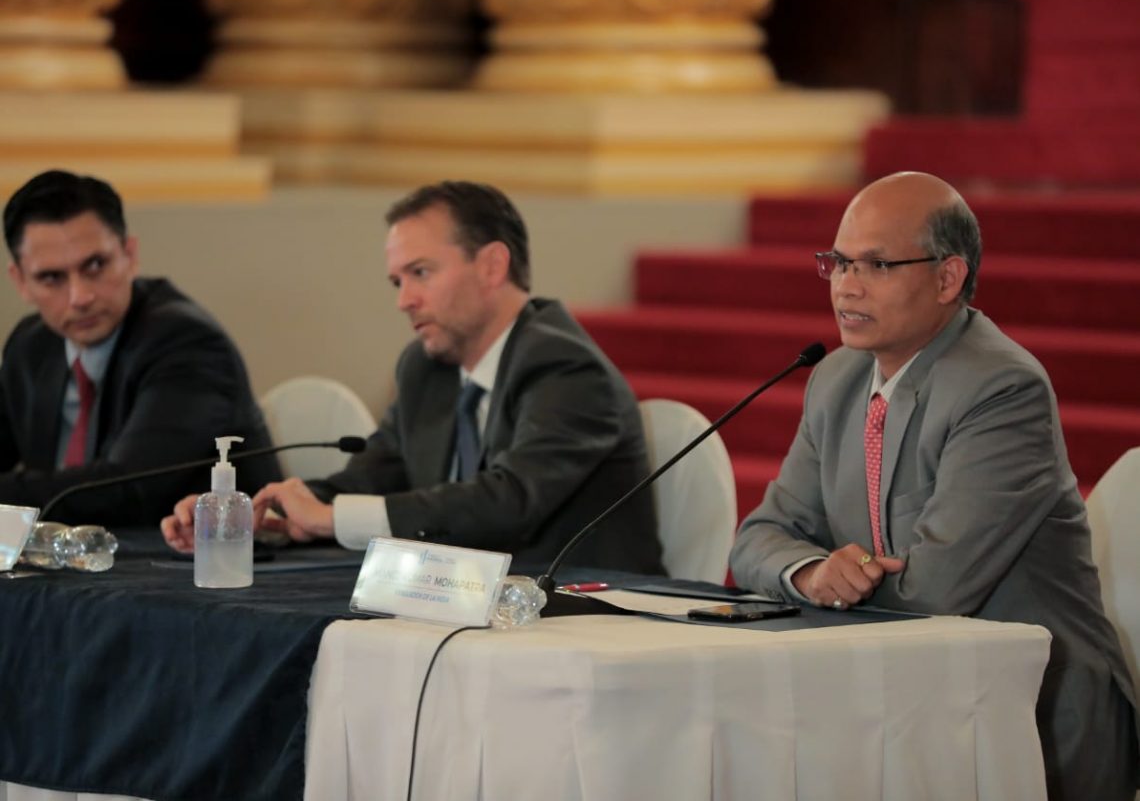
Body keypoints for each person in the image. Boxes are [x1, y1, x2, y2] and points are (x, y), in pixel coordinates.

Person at [729, 171, 1138, 800]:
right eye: (839, 262)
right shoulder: (837, 379)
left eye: (877, 265)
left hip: (1028, 721)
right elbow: (758, 538)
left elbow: (936, 592)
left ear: (948, 278)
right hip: (902, 702)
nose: (847, 286)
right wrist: (811, 573)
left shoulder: (1002, 389)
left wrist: (840, 585)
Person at [162, 180, 663, 574]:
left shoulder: (565, 366)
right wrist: (253, 519)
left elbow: (509, 501)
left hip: (589, 615)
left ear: (492, 265)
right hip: (470, 612)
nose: (404, 301)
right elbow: (369, 479)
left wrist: (333, 519)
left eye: (421, 273)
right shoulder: (427, 369)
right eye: (397, 281)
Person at [0, 169, 280, 527]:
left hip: (197, 558)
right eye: (51, 278)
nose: (80, 297)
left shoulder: (189, 345)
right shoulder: (32, 345)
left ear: (130, 255)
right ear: (21, 282)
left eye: (95, 266)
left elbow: (125, 490)